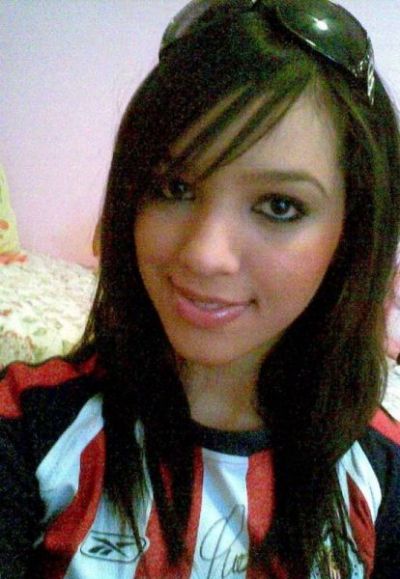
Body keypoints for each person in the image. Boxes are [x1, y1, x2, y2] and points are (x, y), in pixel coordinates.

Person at [1, 0, 400, 577]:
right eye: (174, 186)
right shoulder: (27, 427)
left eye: (279, 206)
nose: (205, 254)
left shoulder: (382, 476)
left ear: (352, 232)